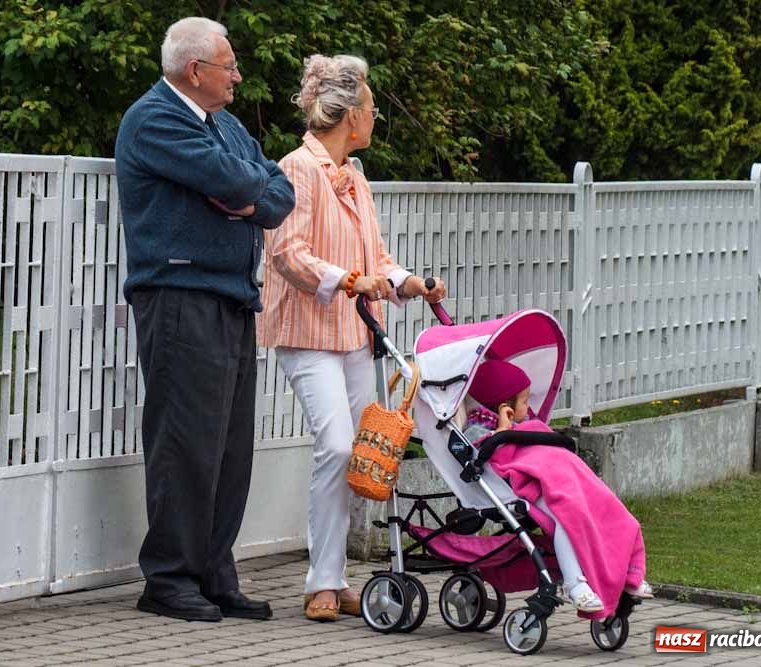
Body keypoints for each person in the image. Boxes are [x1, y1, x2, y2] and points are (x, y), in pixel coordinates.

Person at [115, 17, 295, 623]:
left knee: (228, 446)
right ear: (196, 71)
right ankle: (168, 578)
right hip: (178, 291)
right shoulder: (154, 119)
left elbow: (278, 192)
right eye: (230, 66)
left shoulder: (229, 125)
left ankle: (215, 572)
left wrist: (249, 197)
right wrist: (249, 191)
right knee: (185, 442)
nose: (238, 76)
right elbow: (236, 178)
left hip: (228, 295)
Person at [257, 54, 446, 622]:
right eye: (370, 108)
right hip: (308, 331)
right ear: (348, 115)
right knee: (337, 444)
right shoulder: (298, 168)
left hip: (355, 334)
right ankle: (321, 579)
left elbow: (375, 259)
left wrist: (404, 282)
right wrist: (347, 280)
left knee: (364, 452)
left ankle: (334, 576)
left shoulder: (356, 178)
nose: (374, 117)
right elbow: (286, 252)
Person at [461, 358, 654, 613]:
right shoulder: (479, 426)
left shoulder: (527, 426)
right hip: (529, 485)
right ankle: (574, 584)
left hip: (559, 477)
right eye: (524, 401)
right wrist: (502, 431)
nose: (529, 408)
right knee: (568, 517)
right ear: (504, 407)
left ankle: (627, 574)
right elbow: (491, 455)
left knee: (612, 511)